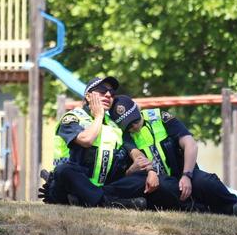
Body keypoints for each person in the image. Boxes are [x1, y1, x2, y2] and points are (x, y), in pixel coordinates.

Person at [109, 95, 237, 216]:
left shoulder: (160, 118)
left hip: (184, 172)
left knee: (206, 181)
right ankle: (213, 210)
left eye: (135, 120)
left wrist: (186, 175)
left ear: (138, 109)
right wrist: (147, 171)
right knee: (165, 187)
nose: (134, 127)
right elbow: (136, 156)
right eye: (128, 125)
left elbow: (190, 143)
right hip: (160, 183)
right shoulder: (124, 136)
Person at [40, 76, 178, 210]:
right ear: (88, 96)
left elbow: (134, 151)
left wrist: (149, 170)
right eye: (102, 91)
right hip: (71, 184)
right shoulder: (72, 117)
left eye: (111, 93)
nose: (108, 95)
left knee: (144, 179)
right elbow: (86, 140)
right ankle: (110, 203)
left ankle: (92, 200)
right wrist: (99, 115)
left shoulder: (115, 125)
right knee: (64, 170)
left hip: (104, 187)